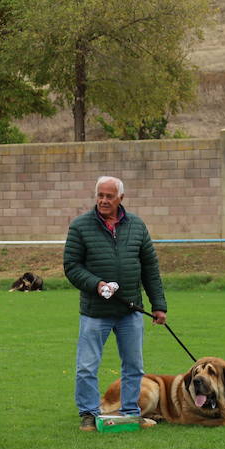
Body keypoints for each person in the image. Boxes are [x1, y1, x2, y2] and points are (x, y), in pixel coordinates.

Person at [64, 175, 168, 431]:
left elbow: (150, 268)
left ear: (121, 198)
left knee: (134, 365)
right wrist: (96, 284)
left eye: (109, 196)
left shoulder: (137, 226)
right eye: (100, 195)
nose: (103, 200)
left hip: (130, 310)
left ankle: (131, 412)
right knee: (87, 366)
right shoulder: (80, 226)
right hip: (95, 312)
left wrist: (158, 305)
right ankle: (88, 413)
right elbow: (71, 266)